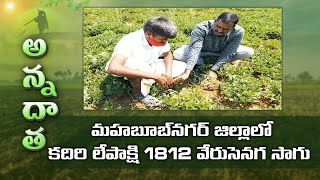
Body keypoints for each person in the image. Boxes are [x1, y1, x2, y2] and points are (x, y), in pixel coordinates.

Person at [106, 17, 186, 107]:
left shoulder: (159, 37)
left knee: (182, 66)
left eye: (166, 40)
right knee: (132, 65)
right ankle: (137, 94)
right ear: (149, 35)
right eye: (163, 40)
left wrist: (168, 74)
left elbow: (168, 54)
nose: (165, 43)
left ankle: (150, 79)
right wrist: (155, 76)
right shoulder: (130, 40)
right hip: (131, 67)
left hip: (149, 64)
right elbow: (113, 68)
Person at [173, 12, 254, 83]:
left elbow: (229, 52)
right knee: (178, 53)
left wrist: (214, 69)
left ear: (233, 28)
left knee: (248, 52)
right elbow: (195, 49)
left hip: (221, 52)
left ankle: (208, 62)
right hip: (201, 52)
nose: (220, 31)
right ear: (215, 20)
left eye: (225, 29)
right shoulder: (201, 27)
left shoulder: (239, 32)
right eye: (218, 26)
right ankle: (201, 62)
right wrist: (187, 71)